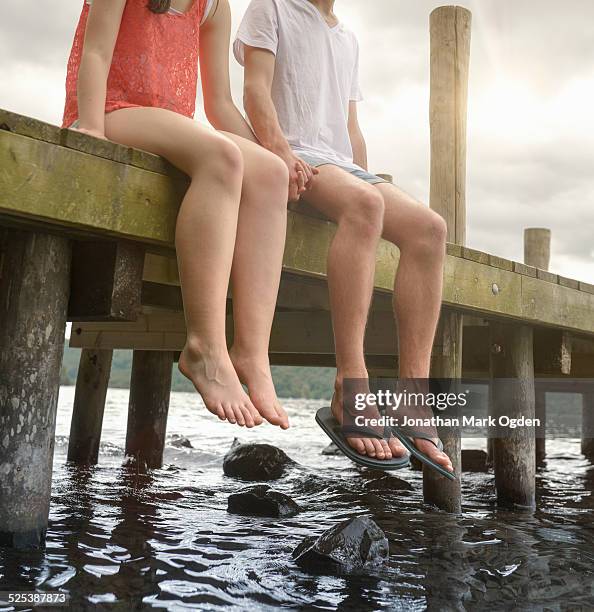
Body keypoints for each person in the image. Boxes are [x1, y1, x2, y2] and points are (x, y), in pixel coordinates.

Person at [234, 0, 454, 473]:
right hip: (293, 154)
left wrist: (367, 176)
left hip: (341, 165)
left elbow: (351, 128)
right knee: (364, 204)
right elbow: (255, 92)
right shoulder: (271, 6)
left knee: (429, 229)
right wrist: (281, 154)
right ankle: (349, 386)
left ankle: (414, 399)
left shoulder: (346, 36)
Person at [63, 0, 292, 430]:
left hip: (167, 124)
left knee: (270, 175)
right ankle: (205, 346)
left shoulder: (212, 6)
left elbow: (220, 104)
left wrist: (274, 152)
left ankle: (252, 353)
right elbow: (95, 54)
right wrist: (91, 133)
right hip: (110, 112)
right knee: (221, 157)